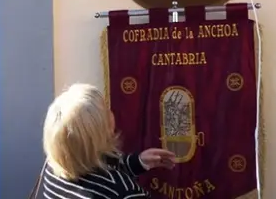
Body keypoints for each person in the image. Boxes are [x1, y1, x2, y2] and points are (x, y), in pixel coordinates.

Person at [31, 83, 177, 198]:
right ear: (99, 132)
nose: (111, 112)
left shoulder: (52, 167)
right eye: (106, 110)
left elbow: (95, 168)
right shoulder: (124, 192)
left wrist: (137, 163)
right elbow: (107, 184)